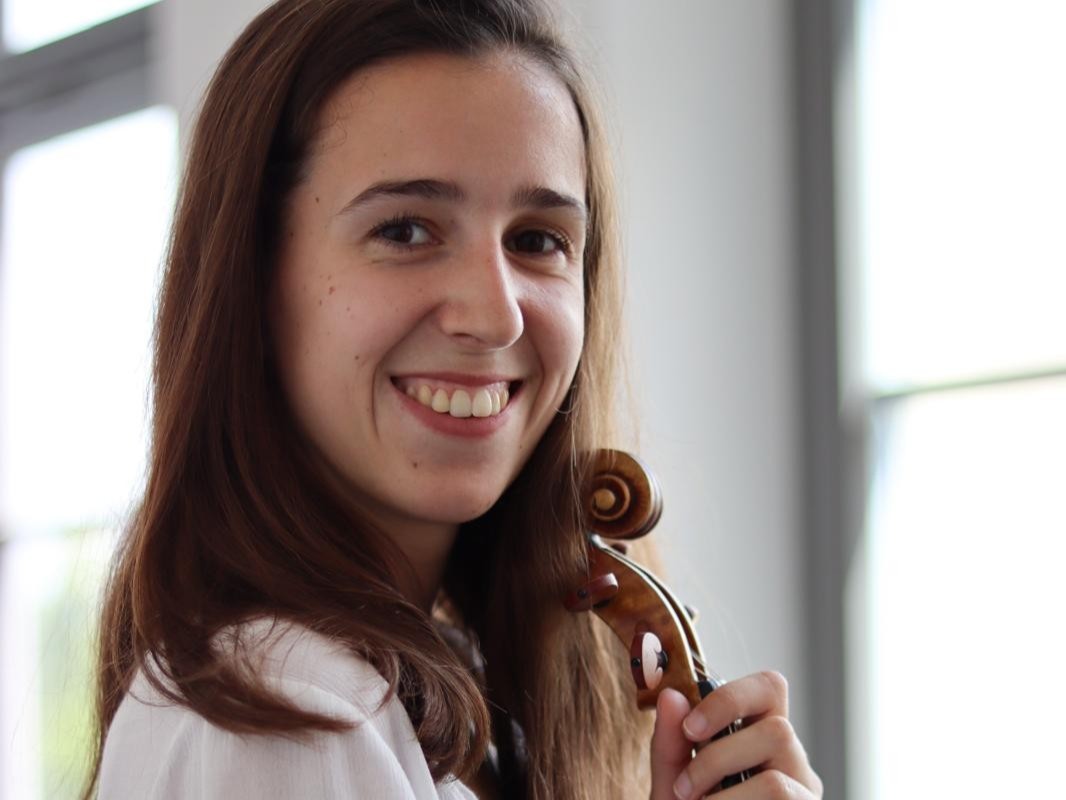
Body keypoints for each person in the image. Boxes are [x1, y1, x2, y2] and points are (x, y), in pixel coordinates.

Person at [85, 1, 823, 798]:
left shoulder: (443, 685)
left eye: (537, 240)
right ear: (254, 280)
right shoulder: (289, 713)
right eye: (405, 230)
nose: (496, 314)